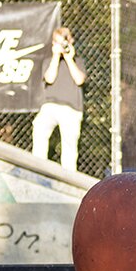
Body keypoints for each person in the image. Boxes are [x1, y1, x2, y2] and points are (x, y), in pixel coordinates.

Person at [32, 27, 87, 172]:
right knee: (39, 126)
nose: (60, 46)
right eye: (56, 42)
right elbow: (49, 78)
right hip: (50, 105)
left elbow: (79, 80)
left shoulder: (78, 61)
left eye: (62, 43)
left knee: (69, 143)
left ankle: (68, 174)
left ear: (70, 42)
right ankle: (37, 167)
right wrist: (56, 56)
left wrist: (69, 59)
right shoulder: (49, 61)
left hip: (71, 108)